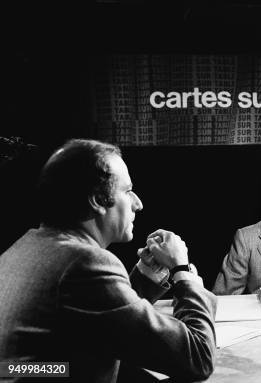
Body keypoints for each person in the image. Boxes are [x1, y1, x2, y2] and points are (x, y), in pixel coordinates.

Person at [0, 139, 216, 383]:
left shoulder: (25, 247)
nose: (138, 203)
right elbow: (199, 357)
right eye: (127, 191)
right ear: (96, 200)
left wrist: (147, 275)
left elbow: (101, 324)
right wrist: (184, 274)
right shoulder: (85, 263)